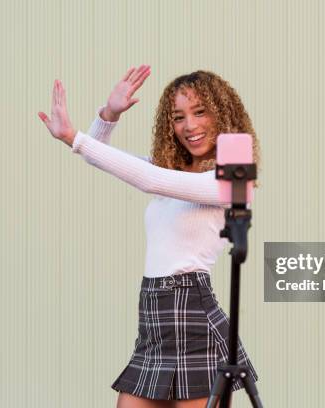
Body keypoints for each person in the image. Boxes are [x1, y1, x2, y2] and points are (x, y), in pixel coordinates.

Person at [38, 66, 260, 408]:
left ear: (222, 115)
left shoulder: (230, 180)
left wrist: (73, 137)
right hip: (153, 317)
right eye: (179, 117)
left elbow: (147, 179)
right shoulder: (174, 171)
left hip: (192, 315)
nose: (190, 125)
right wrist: (108, 115)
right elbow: (102, 159)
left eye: (200, 112)